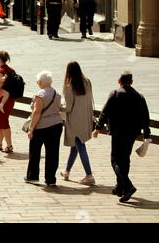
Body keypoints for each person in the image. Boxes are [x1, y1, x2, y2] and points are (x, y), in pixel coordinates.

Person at [93, 71, 151, 202]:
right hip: (132, 133)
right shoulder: (139, 96)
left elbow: (104, 112)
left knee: (115, 160)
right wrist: (146, 134)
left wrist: (97, 128)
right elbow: (145, 117)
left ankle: (128, 185)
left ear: (119, 81)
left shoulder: (115, 94)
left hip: (118, 132)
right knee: (125, 158)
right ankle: (120, 187)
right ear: (131, 82)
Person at [59, 61, 95, 185]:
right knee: (75, 146)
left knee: (80, 145)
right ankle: (66, 171)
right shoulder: (87, 81)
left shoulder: (70, 86)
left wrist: (57, 107)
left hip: (74, 120)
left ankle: (89, 175)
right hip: (85, 118)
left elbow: (68, 108)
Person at [24, 71, 63, 186]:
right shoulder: (57, 94)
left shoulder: (40, 94)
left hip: (41, 126)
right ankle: (51, 179)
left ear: (41, 82)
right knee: (53, 153)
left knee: (35, 152)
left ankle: (33, 176)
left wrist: (31, 129)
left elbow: (37, 112)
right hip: (56, 125)